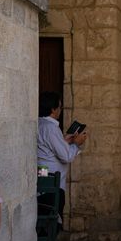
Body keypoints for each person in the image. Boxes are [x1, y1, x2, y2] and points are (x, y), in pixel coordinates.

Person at [37, 91, 87, 229]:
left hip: (43, 178)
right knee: (52, 225)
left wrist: (64, 140)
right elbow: (66, 156)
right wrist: (76, 143)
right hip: (53, 185)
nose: (60, 110)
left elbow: (47, 148)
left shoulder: (39, 124)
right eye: (59, 107)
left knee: (44, 220)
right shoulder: (51, 128)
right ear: (53, 109)